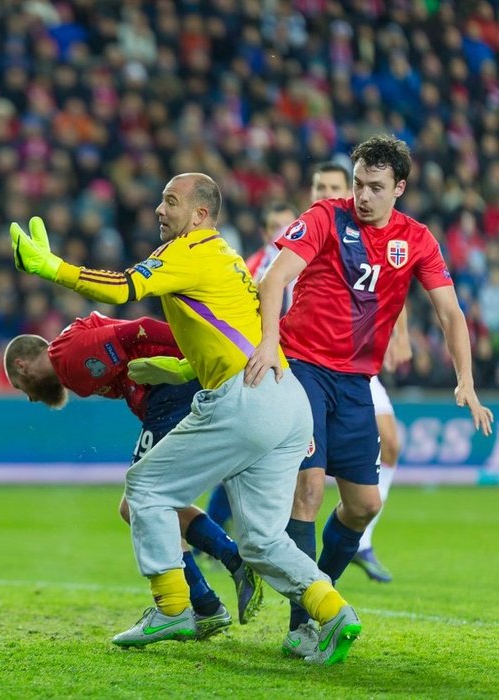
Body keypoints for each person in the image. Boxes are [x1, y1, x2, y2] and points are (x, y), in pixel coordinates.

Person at [11, 172, 361, 665]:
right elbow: (224, 330)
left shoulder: (188, 251)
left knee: (146, 489)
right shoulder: (225, 258)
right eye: (160, 200)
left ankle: (173, 607)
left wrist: (53, 268)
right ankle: (335, 613)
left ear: (199, 215)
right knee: (261, 540)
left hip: (247, 397)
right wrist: (179, 365)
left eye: (170, 202)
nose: (159, 209)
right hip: (287, 400)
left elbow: (122, 288)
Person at [246, 137, 493, 654]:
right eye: (358, 183)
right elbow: (273, 281)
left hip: (357, 380)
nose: (362, 196)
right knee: (309, 492)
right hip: (304, 368)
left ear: (399, 189)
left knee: (361, 506)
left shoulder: (417, 239)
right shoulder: (324, 218)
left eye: (375, 188)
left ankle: (320, 592)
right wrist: (269, 344)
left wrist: (465, 380)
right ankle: (303, 622)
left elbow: (450, 313)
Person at [4, 312, 264, 636]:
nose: (29, 397)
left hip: (172, 394)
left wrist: (198, 349)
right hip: (167, 397)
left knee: (138, 503)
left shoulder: (67, 354)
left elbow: (139, 329)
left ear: (21, 365)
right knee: (154, 504)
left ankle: (209, 590)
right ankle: (209, 598)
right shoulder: (70, 363)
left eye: (20, 387)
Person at [306, 162, 412, 584]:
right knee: (303, 481)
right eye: (325, 186)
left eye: (337, 186)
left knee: (391, 444)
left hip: (356, 365)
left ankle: (360, 539)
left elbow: (386, 283)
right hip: (306, 362)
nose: (353, 195)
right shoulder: (310, 232)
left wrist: (399, 333)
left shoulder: (367, 231)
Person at [205, 200, 301, 531]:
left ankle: (243, 529)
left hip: (298, 360)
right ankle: (223, 526)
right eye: (276, 226)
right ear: (264, 231)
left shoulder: (305, 259)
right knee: (248, 454)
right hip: (266, 361)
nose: (282, 233)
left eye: (288, 225)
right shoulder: (253, 268)